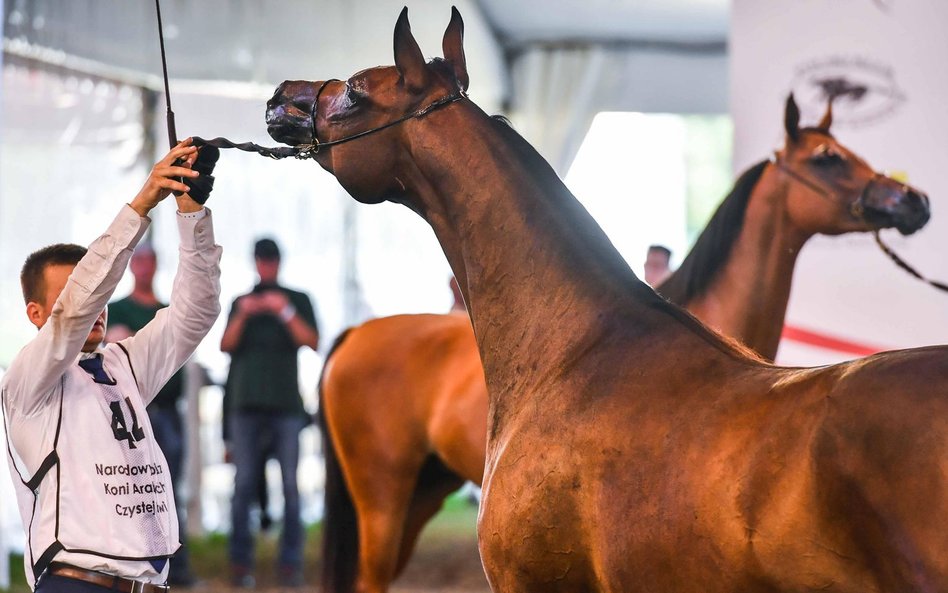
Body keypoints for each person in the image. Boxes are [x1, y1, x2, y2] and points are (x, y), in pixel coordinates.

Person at [1, 140, 221, 592]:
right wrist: (142, 203)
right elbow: (76, 311)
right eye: (80, 295)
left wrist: (191, 212)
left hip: (146, 583)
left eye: (101, 295)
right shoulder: (26, 381)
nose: (97, 307)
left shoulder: (122, 364)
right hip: (73, 582)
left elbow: (195, 311)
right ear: (36, 314)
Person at [220, 238, 319, 588]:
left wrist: (284, 311)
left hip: (286, 409)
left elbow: (313, 341)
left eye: (271, 260)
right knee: (243, 485)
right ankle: (239, 563)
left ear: (279, 262)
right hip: (245, 409)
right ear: (255, 263)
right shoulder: (241, 303)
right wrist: (244, 314)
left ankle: (291, 564)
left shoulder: (297, 300)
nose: (267, 266)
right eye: (262, 261)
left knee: (292, 487)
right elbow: (225, 345)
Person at [106, 243, 198, 587]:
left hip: (166, 413)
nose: (144, 267)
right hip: (129, 417)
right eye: (139, 261)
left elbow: (174, 354)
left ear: (156, 265)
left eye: (149, 261)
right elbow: (114, 353)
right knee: (128, 490)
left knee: (170, 489)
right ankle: (130, 565)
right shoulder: (115, 310)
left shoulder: (166, 312)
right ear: (132, 266)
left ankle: (176, 567)